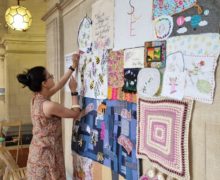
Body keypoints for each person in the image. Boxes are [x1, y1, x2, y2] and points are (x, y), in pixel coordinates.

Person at [17, 53, 81, 180]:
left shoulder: (36, 98)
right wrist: (74, 91)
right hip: (47, 159)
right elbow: (75, 113)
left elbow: (59, 85)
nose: (53, 77)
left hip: (37, 155)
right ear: (44, 83)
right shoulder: (49, 106)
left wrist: (73, 67)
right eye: (50, 76)